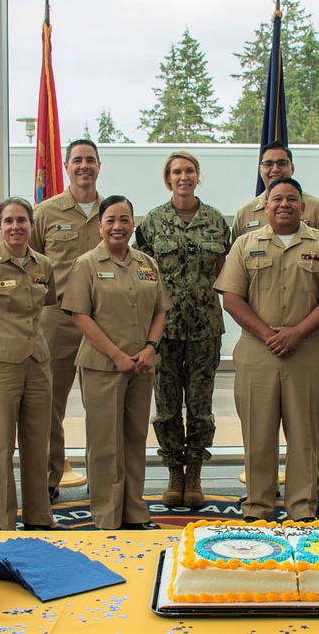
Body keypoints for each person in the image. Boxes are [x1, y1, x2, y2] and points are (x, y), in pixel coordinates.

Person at [216, 178, 319, 522]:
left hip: (305, 351)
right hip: (257, 352)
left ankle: (302, 508)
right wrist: (267, 334)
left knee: (305, 436)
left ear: (303, 207)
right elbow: (231, 298)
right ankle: (258, 507)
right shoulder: (246, 245)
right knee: (258, 435)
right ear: (265, 205)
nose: (284, 204)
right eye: (276, 198)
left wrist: (296, 333)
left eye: (292, 199)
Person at [60, 195, 172, 530]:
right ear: (99, 226)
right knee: (106, 442)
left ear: (133, 224)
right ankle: (107, 515)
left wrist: (151, 347)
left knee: (135, 439)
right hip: (103, 367)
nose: (117, 226)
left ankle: (134, 510)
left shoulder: (146, 264)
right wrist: (117, 355)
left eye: (124, 219)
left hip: (141, 365)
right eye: (110, 220)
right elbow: (80, 316)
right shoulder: (86, 264)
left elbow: (160, 310)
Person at [133, 151, 230, 509]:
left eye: (189, 171)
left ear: (197, 176)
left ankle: (195, 475)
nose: (183, 176)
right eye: (176, 172)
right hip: (165, 331)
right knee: (167, 408)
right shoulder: (152, 223)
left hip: (206, 330)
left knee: (201, 408)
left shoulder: (216, 221)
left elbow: (223, 271)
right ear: (168, 179)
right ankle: (174, 471)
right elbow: (142, 275)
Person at [0, 197, 66, 531]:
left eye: (21, 220)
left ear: (31, 226)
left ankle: (39, 516)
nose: (15, 227)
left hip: (37, 362)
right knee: (2, 446)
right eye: (8, 221)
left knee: (38, 443)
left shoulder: (43, 265)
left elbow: (45, 306)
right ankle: (4, 521)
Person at [31, 139, 104, 502]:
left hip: (103, 325)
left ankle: (104, 480)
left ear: (99, 166)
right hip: (57, 321)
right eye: (77, 160)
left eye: (90, 160)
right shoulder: (45, 213)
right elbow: (29, 263)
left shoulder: (112, 211)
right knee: (49, 405)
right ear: (66, 165)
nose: (84, 166)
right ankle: (48, 478)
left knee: (103, 406)